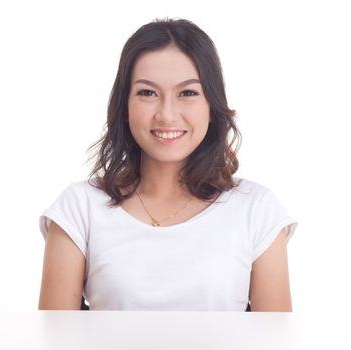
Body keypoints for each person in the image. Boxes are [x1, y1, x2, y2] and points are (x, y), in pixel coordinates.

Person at [38, 18, 298, 312]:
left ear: (211, 106)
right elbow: (54, 339)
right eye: (147, 93)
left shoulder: (257, 210)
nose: (167, 114)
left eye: (188, 93)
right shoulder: (79, 208)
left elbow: (275, 341)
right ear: (124, 106)